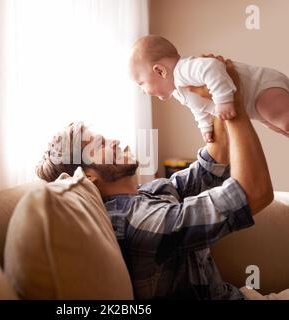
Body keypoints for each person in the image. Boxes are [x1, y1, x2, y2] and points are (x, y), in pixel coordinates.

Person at [35, 57, 274, 299]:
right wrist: (235, 108)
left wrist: (218, 91)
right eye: (100, 145)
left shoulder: (147, 192)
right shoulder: (137, 220)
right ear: (88, 177)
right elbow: (254, 193)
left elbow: (214, 161)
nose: (115, 141)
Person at [129, 35, 289, 142]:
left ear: (160, 71)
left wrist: (223, 101)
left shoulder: (183, 70)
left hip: (261, 87)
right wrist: (205, 126)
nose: (143, 90)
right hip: (254, 105)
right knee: (278, 127)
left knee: (284, 122)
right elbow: (199, 108)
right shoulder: (178, 91)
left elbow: (213, 67)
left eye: (141, 83)